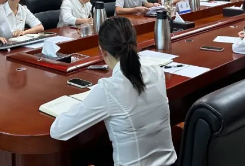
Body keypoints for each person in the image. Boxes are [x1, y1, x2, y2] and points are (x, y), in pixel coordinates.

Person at [50, 17, 177, 166]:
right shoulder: (156, 72)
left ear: (102, 51)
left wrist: (80, 104)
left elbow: (58, 131)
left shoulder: (108, 89)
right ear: (135, 44)